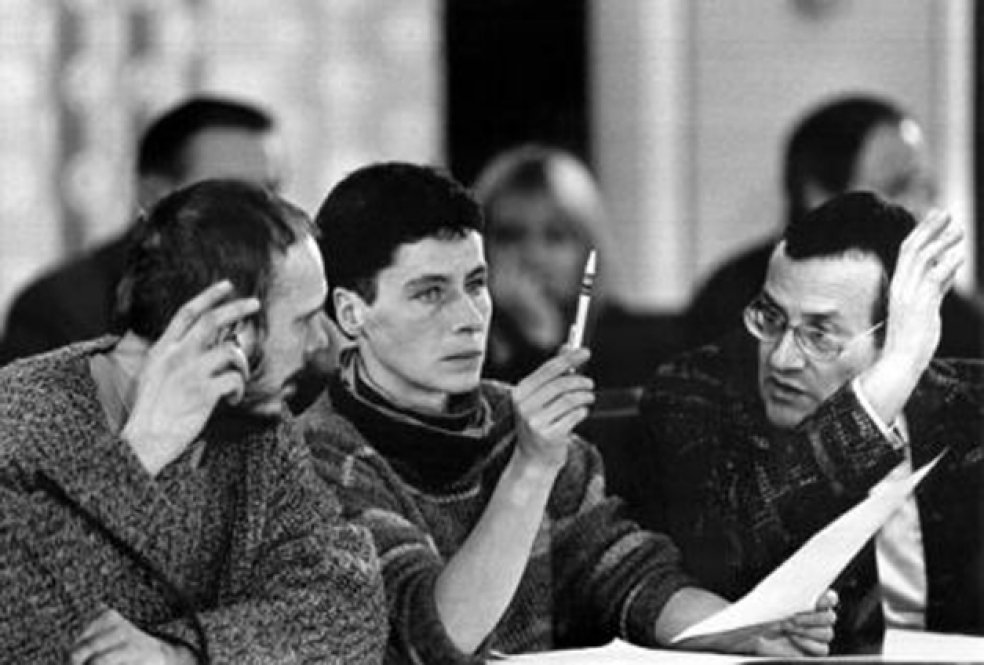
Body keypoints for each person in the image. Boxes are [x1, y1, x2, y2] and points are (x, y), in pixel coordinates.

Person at [299, 162, 836, 663]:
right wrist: (530, 469)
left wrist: (743, 627)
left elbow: (628, 573)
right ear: (351, 313)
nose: (468, 317)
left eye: (477, 284)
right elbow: (432, 640)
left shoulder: (520, 418)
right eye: (430, 293)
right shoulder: (318, 457)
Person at [0, 179, 386, 663]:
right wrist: (137, 457)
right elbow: (16, 630)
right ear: (229, 331)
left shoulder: (255, 425)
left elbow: (349, 606)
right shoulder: (17, 421)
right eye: (304, 319)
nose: (328, 343)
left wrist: (177, 653)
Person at [635, 191, 982, 654]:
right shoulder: (692, 393)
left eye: (819, 334)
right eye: (772, 318)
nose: (781, 358)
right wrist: (882, 389)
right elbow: (730, 550)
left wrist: (896, 371)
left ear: (897, 333)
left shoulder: (969, 406)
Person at [686, 94, 984, 358]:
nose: (923, 211)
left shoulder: (935, 300)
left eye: (928, 190)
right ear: (820, 196)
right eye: (898, 187)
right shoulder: (734, 298)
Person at [0, 95, 283, 365]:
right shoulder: (61, 308)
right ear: (154, 194)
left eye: (270, 191)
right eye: (232, 193)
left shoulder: (286, 293)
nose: (263, 212)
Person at [476, 145, 685, 388]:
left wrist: (541, 343)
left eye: (555, 236)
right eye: (509, 236)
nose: (533, 256)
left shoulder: (644, 348)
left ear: (587, 247)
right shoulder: (462, 351)